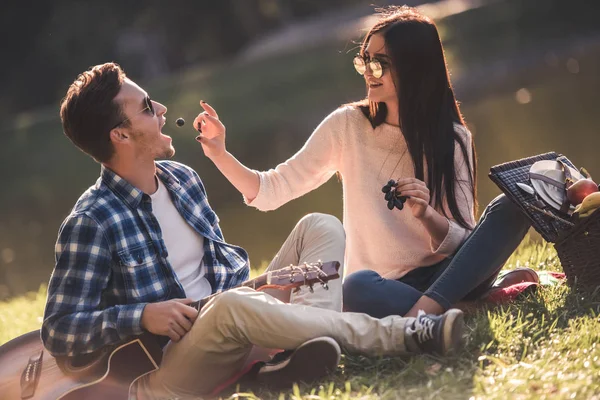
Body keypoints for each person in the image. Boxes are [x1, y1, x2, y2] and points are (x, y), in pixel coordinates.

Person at [41, 62, 466, 399]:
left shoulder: (182, 179)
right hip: (168, 376)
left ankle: (288, 354)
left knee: (318, 227)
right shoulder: (90, 222)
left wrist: (254, 292)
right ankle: (405, 333)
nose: (164, 111)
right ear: (121, 134)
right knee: (231, 308)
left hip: (229, 319)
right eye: (149, 108)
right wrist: (144, 315)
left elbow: (221, 275)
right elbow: (59, 330)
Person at [194, 6, 533, 320]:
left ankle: (424, 313)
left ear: (413, 67)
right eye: (364, 60)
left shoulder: (453, 138)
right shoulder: (347, 126)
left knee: (514, 201)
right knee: (355, 288)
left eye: (379, 63)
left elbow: (465, 243)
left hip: (451, 275)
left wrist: (427, 215)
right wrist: (220, 154)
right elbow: (271, 190)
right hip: (382, 287)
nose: (368, 73)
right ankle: (454, 308)